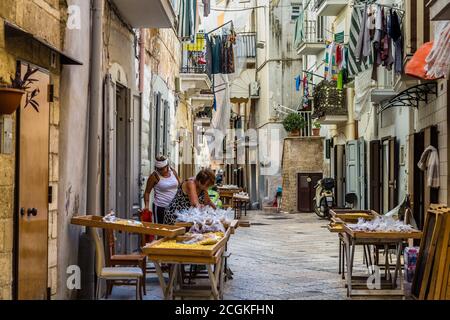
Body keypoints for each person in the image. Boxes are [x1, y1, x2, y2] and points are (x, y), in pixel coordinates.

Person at [143, 156, 180, 224]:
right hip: (160, 207)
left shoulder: (173, 172)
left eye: (162, 169)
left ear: (167, 166)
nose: (160, 171)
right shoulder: (154, 176)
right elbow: (147, 192)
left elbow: (179, 186)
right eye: (158, 169)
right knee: (160, 230)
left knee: (172, 230)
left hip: (174, 207)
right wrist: (147, 205)